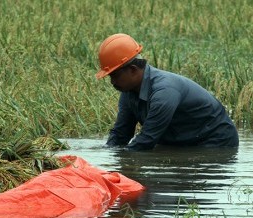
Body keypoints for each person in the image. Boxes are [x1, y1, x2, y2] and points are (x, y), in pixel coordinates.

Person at [96, 33, 239, 151]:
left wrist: (124, 156)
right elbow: (121, 134)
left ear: (133, 69)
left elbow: (147, 140)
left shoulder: (163, 91)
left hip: (216, 143)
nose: (112, 82)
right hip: (182, 141)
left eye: (115, 75)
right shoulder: (128, 93)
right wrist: (105, 155)